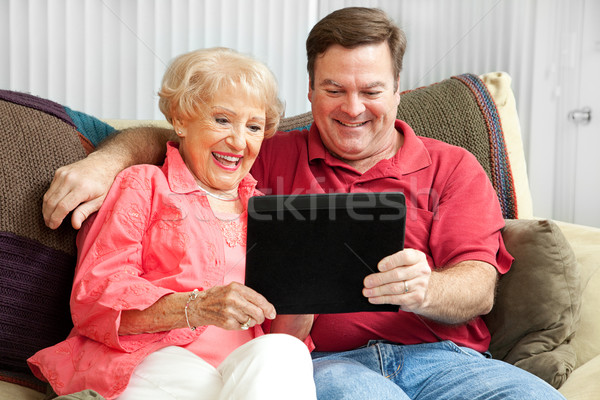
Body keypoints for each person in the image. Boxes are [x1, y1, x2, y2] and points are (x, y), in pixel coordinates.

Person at [40, 7, 566, 400]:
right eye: (334, 89)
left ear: (398, 91)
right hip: (331, 367)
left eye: (371, 90)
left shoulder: (452, 166)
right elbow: (186, 141)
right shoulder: (259, 160)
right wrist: (107, 161)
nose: (353, 108)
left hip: (447, 358)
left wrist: (426, 287)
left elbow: (477, 286)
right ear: (310, 93)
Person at [28, 47, 317, 400]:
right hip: (150, 361)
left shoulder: (269, 215)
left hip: (240, 376)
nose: (239, 141)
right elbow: (96, 298)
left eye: (254, 127)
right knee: (193, 379)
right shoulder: (144, 185)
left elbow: (281, 337)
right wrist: (196, 307)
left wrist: (309, 292)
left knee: (286, 353)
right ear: (180, 120)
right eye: (223, 120)